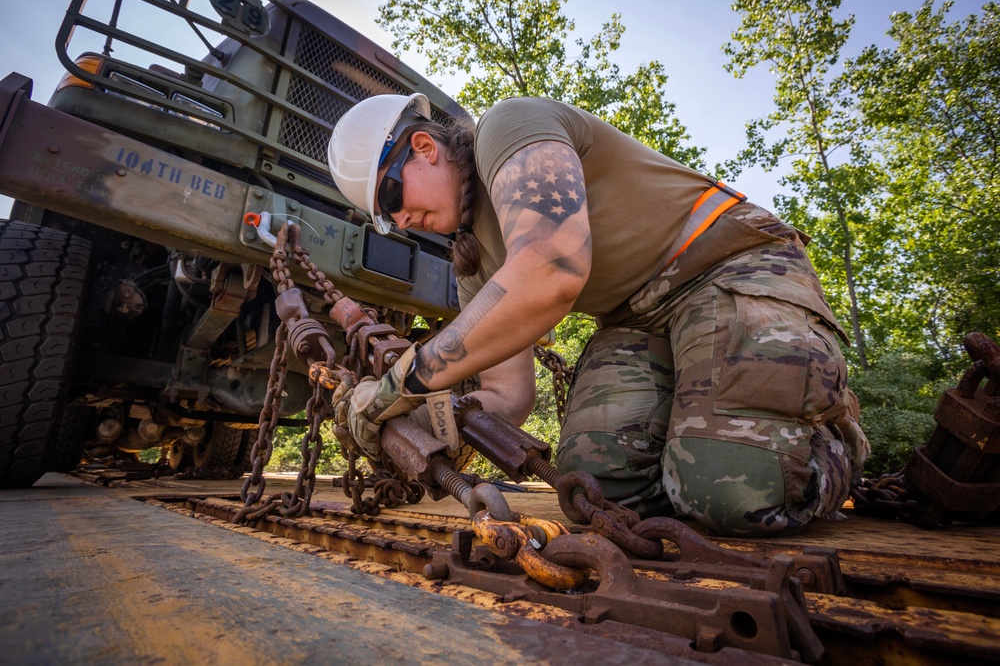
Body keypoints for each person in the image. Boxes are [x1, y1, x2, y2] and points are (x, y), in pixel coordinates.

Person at [327, 93, 869, 536]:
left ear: (423, 147)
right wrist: (402, 423)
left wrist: (402, 381)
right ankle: (725, 435)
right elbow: (508, 396)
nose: (401, 218)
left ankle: (828, 432)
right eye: (386, 219)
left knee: (736, 493)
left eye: (392, 194)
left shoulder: (509, 128)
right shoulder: (473, 266)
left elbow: (552, 266)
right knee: (597, 481)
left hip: (728, 267)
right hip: (637, 321)